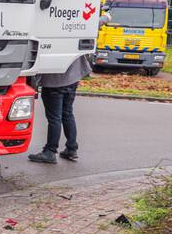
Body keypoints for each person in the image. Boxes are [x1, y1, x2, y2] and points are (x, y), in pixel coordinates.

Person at [29, 11, 111, 164]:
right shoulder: (72, 20)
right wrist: (106, 18)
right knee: (67, 113)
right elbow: (92, 24)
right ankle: (71, 149)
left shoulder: (49, 20)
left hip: (55, 78)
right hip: (73, 75)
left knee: (55, 117)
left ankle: (50, 151)